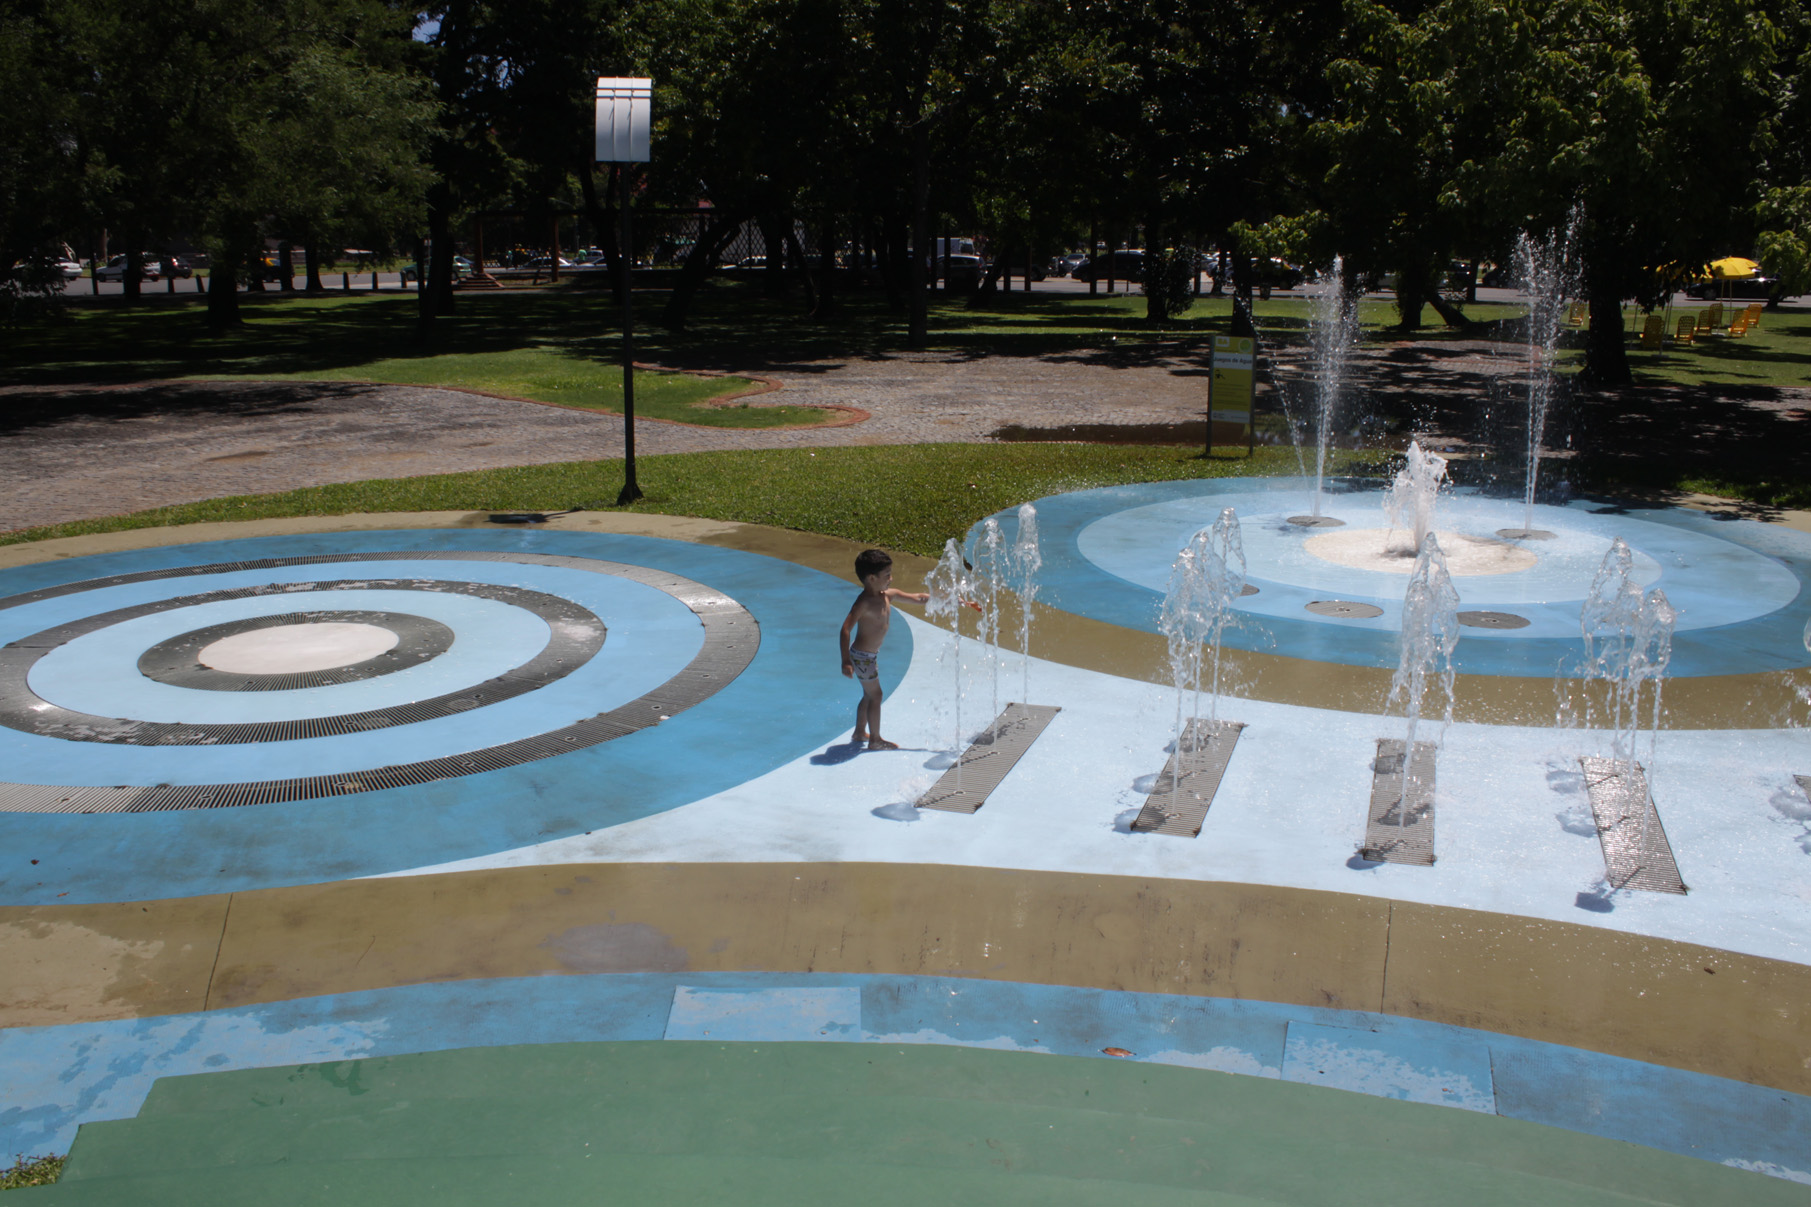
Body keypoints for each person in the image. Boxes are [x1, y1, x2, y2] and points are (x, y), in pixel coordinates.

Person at [839, 548, 928, 750]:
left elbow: (919, 598)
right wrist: (845, 660)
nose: (891, 578)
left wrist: (949, 600)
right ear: (872, 578)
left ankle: (860, 732)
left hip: (868, 656)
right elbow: (845, 630)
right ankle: (875, 739)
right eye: (887, 575)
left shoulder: (888, 596)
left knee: (868, 695)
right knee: (876, 696)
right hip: (862, 657)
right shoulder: (864, 603)